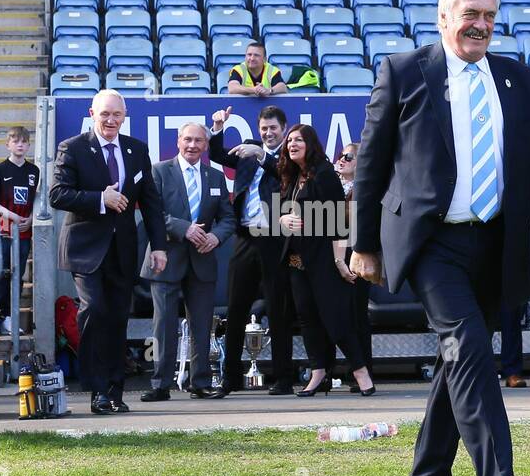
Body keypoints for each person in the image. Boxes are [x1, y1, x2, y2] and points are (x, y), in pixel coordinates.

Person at [352, 0, 530, 476]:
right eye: (471, 14)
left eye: (490, 16)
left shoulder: (519, 80)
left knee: (455, 361)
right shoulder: (403, 72)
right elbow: (369, 167)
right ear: (444, 17)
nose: (481, 25)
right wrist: (363, 244)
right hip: (431, 242)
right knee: (468, 349)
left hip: (497, 244)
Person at [49, 90, 168, 413]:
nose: (111, 120)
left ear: (125, 115)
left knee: (117, 319)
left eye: (116, 114)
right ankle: (96, 388)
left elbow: (152, 203)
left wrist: (158, 246)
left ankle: (115, 390)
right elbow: (58, 194)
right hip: (85, 250)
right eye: (105, 114)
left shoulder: (136, 149)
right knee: (95, 310)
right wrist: (101, 199)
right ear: (92, 113)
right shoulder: (72, 148)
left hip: (123, 250)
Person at [270, 123, 377, 396]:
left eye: (298, 140)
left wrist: (340, 261)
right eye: (289, 141)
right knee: (307, 319)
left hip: (323, 259)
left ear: (310, 144)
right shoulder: (292, 177)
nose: (291, 144)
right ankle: (317, 373)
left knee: (336, 318)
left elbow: (338, 222)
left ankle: (360, 371)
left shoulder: (325, 173)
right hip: (296, 260)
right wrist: (283, 219)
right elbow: (280, 213)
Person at [139, 122, 236, 401]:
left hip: (203, 260)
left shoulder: (216, 176)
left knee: (202, 325)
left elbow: (228, 218)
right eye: (188, 140)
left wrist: (216, 237)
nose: (193, 145)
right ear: (178, 141)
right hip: (166, 258)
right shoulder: (159, 171)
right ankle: (160, 385)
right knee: (164, 326)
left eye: (199, 141)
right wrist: (185, 228)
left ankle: (201, 382)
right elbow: (152, 212)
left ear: (206, 145)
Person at [209, 103, 295, 396]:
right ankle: (229, 378)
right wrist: (218, 129)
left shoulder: (289, 155)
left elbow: (287, 177)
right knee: (236, 308)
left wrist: (262, 157)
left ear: (283, 129)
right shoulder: (248, 151)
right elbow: (218, 155)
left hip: (275, 240)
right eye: (263, 129)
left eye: (273, 128)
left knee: (278, 309)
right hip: (246, 237)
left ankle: (284, 378)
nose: (268, 133)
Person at [0, 126, 40, 337]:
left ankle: (9, 316)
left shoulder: (34, 171)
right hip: (2, 230)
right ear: (8, 144)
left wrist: (31, 218)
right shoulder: (0, 170)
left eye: (24, 142)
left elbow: (36, 199)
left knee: (17, 273)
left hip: (23, 232)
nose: (20, 145)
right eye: (16, 141)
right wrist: (11, 216)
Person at [331, 141, 373, 388]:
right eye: (340, 155)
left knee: (357, 315)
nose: (342, 159)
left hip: (356, 256)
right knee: (335, 315)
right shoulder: (330, 186)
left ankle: (362, 372)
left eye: (348, 156)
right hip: (333, 257)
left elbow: (353, 223)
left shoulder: (365, 190)